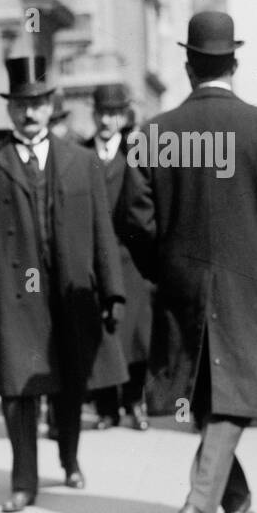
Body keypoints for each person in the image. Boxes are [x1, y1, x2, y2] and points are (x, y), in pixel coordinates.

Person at [124, 12, 257, 513]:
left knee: (206, 395)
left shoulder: (154, 133)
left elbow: (135, 219)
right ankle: (197, 504)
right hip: (250, 282)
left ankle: (234, 500)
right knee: (233, 397)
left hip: (181, 283)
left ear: (188, 67)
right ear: (235, 62)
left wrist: (162, 269)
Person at [0, 56, 126, 513]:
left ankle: (69, 457)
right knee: (18, 390)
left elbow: (101, 230)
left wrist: (112, 290)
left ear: (50, 105)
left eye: (36, 103)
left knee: (70, 384)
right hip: (13, 300)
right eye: (20, 104)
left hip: (68, 292)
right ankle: (23, 480)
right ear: (9, 109)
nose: (29, 113)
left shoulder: (81, 161)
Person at [83, 82, 153, 431]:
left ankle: (135, 402)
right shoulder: (78, 154)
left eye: (115, 113)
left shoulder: (135, 154)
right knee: (102, 333)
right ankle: (106, 407)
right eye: (102, 113)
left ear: (124, 115)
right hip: (94, 259)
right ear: (93, 115)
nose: (108, 120)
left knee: (136, 334)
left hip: (130, 258)